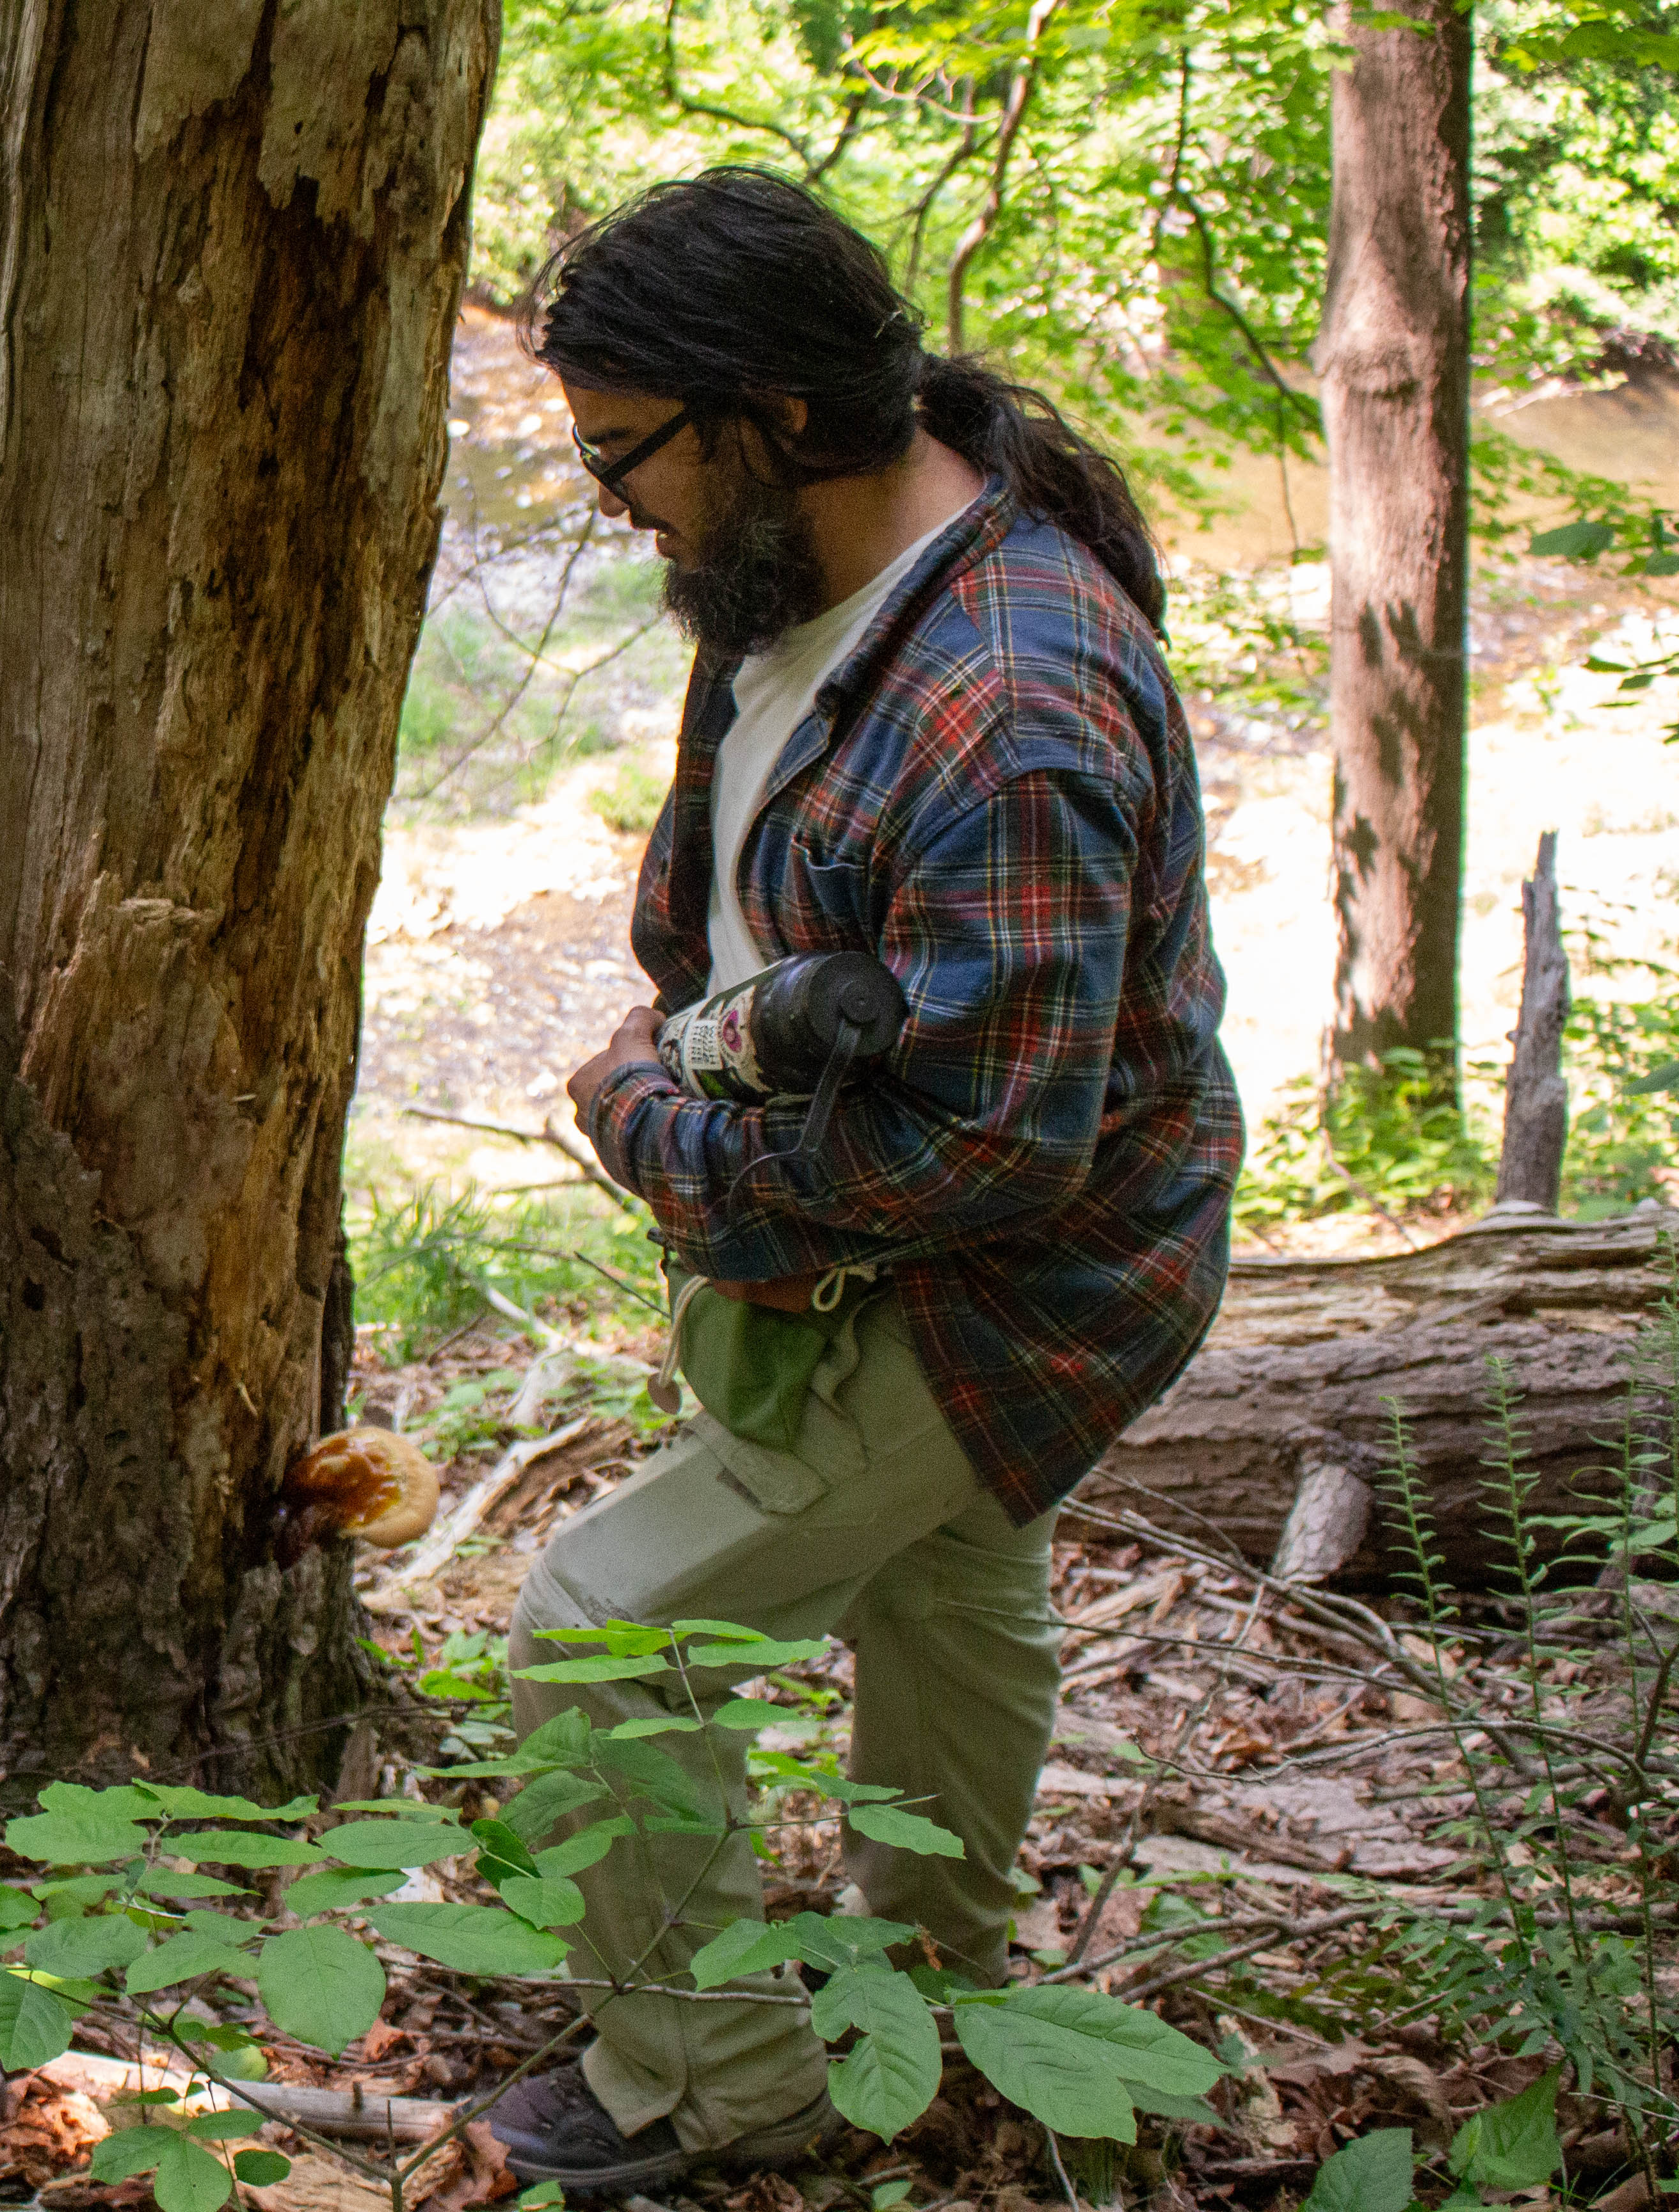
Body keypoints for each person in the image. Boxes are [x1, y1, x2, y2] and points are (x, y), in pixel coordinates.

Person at [479, 172, 1243, 2190]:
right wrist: (692, 1023)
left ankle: (724, 2088)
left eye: (622, 452)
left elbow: (995, 1145)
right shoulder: (802, 577)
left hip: (1015, 1280)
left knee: (591, 1636)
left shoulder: (1011, 708)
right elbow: (741, 873)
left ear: (769, 417)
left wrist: (663, 1139)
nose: (609, 499)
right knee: (946, 1579)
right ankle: (944, 1993)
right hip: (917, 1239)